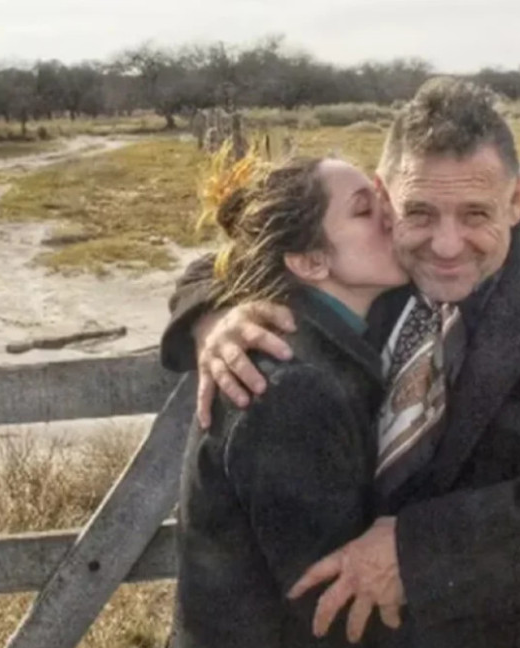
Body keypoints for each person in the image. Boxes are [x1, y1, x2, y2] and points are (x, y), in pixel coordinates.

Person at [160, 77, 520, 648]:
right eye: (421, 213)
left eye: (477, 213)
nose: (447, 244)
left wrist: (417, 553)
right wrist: (216, 319)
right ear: (387, 200)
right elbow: (234, 255)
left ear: (517, 199)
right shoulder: (385, 267)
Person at [170, 152, 408, 648]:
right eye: (364, 210)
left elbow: (212, 265)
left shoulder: (335, 321)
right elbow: (330, 606)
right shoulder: (292, 389)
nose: (392, 215)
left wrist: (209, 313)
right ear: (309, 261)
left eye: (384, 198)